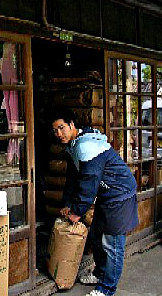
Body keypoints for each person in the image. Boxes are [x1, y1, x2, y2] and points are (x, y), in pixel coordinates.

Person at [50, 108, 139, 296]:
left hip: (120, 194)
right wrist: (67, 203)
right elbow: (73, 179)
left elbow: (88, 185)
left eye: (61, 128)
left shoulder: (86, 146)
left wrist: (76, 211)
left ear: (72, 125)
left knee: (112, 244)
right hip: (107, 195)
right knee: (97, 236)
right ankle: (100, 273)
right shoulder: (74, 145)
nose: (58, 133)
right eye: (55, 130)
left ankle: (107, 288)